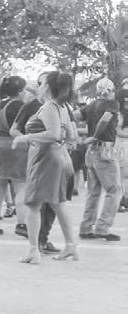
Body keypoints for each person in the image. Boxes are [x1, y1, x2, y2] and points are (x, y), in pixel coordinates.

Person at [13, 71, 78, 264]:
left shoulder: (49, 106)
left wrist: (26, 137)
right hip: (58, 156)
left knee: (33, 204)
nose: (39, 86)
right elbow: (71, 135)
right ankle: (70, 245)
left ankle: (34, 250)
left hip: (44, 158)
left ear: (48, 86)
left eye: (41, 83)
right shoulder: (63, 107)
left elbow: (53, 134)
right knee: (58, 203)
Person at [10, 72, 61, 254]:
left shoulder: (59, 106)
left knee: (53, 202)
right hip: (36, 157)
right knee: (38, 201)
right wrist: (28, 139)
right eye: (39, 83)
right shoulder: (31, 106)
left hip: (54, 158)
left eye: (43, 83)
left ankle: (42, 239)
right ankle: (37, 242)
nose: (40, 87)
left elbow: (66, 132)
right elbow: (14, 129)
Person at [76, 78, 122, 241]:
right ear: (111, 90)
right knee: (114, 190)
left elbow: (74, 116)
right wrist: (95, 136)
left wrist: (79, 135)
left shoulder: (91, 106)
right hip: (105, 150)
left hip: (91, 151)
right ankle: (102, 227)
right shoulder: (112, 104)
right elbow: (105, 119)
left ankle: (86, 227)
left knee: (93, 192)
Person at [0, 76, 28, 237]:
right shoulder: (20, 106)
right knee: (20, 187)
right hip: (16, 145)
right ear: (20, 91)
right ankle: (21, 224)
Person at [116, 78, 128, 212]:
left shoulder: (120, 112)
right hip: (123, 142)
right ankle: (124, 199)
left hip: (123, 143)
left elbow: (117, 130)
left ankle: (123, 200)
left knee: (122, 174)